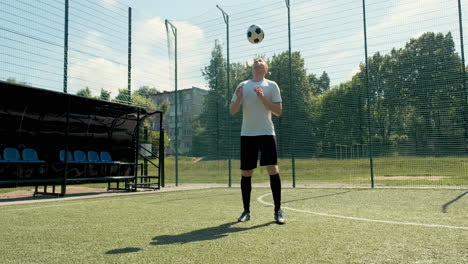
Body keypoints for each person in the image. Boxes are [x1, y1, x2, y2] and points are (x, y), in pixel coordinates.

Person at [229, 58, 285, 224]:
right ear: (252, 69)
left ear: (265, 69)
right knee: (246, 172)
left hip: (267, 133)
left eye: (261, 63)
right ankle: (246, 211)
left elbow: (278, 111)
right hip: (247, 134)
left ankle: (278, 210)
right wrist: (238, 98)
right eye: (255, 64)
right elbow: (232, 110)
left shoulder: (271, 85)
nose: (258, 64)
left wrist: (262, 98)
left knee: (273, 169)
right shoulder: (242, 85)